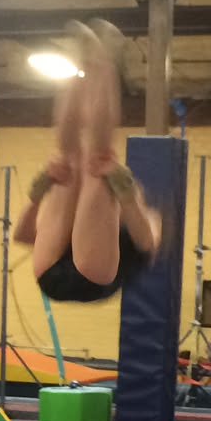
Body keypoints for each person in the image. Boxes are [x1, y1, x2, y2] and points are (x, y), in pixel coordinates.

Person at [13, 19, 162, 306]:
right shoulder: (128, 210)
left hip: (81, 276)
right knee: (82, 161)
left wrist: (38, 192)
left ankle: (99, 63)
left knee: (81, 163)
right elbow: (23, 236)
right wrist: (123, 190)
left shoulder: (142, 217)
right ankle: (92, 63)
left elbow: (22, 236)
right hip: (68, 275)